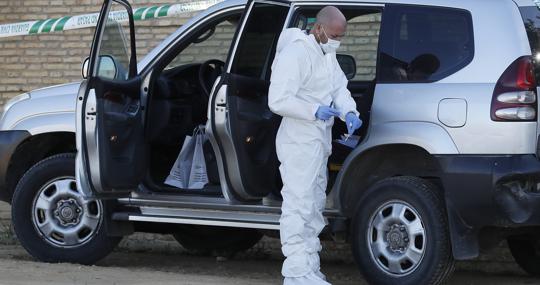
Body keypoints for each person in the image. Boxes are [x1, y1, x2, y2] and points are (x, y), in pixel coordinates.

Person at [268, 6, 362, 285]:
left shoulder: (326, 54)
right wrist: (313, 110)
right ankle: (295, 273)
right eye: (334, 35)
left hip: (317, 141)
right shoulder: (296, 54)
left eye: (341, 36)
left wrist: (349, 111)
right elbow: (277, 100)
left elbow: (338, 88)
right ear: (319, 28)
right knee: (298, 205)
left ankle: (309, 268)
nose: (337, 41)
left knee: (313, 205)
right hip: (298, 139)